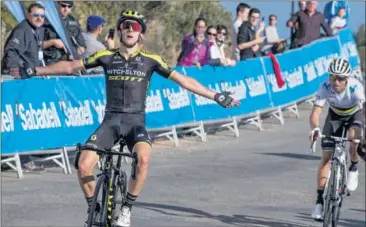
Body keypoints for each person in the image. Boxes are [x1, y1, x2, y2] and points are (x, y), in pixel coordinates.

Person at [13, 10, 240, 227]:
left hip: (135, 123)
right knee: (83, 166)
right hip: (110, 122)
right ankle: (94, 206)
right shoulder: (106, 56)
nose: (130, 29)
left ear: (141, 33)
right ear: (120, 31)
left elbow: (183, 80)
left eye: (135, 27)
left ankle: (127, 209)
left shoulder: (151, 60)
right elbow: (71, 66)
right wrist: (34, 71)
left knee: (143, 160)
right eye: (125, 26)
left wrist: (216, 95)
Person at [309, 58, 365, 221]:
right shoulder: (325, 86)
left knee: (353, 139)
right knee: (326, 158)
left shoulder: (356, 87)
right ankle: (319, 201)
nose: (336, 82)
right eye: (333, 77)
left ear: (347, 79)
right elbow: (315, 113)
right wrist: (315, 129)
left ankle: (353, 167)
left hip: (355, 114)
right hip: (334, 116)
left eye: (340, 78)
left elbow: (364, 113)